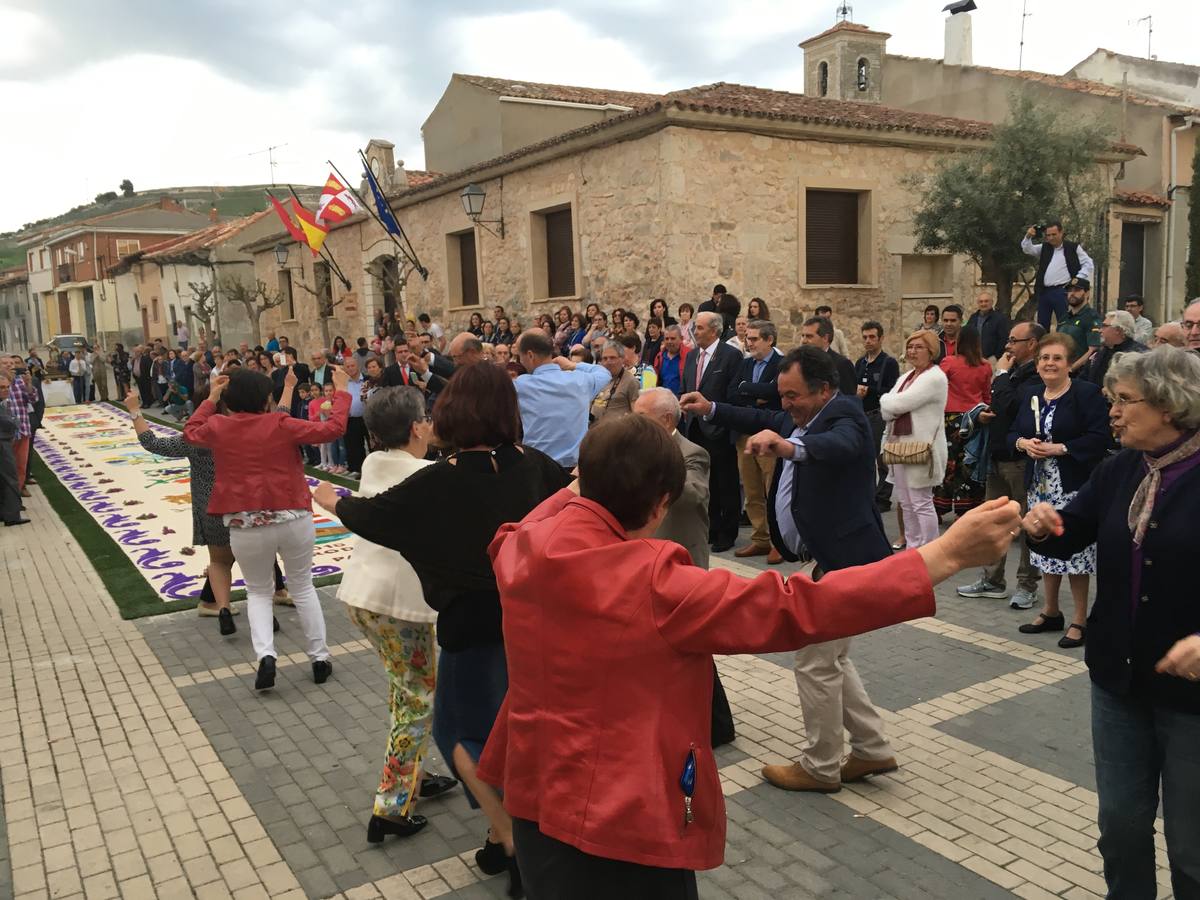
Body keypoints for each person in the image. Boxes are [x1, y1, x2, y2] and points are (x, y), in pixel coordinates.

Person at [477, 413, 1022, 898]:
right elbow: (797, 607)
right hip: (620, 819)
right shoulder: (655, 583)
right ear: (662, 504)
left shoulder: (523, 541)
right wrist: (944, 555)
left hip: (533, 791)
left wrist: (605, 456)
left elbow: (560, 505)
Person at [313, 363, 570, 897]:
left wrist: (327, 497)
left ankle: (512, 841)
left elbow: (369, 517)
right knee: (512, 725)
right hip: (531, 622)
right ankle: (506, 836)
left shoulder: (438, 481)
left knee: (457, 732)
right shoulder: (534, 466)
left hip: (469, 626)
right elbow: (572, 500)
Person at [1021, 347, 1200, 899]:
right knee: (1120, 829)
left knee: (1193, 846)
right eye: (1111, 401)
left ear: (1171, 406)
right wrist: (1042, 524)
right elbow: (1073, 527)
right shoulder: (1120, 468)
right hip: (1118, 679)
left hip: (1192, 698)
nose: (1113, 414)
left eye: (1125, 401)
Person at [683, 344, 905, 788]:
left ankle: (820, 767)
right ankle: (872, 748)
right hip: (826, 561)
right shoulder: (805, 416)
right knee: (832, 659)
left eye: (792, 396)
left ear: (823, 390)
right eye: (782, 396)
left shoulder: (845, 417)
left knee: (815, 662)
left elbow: (838, 446)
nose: (784, 405)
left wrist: (788, 447)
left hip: (844, 563)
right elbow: (755, 418)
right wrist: (711, 407)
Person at [332, 386, 459, 842]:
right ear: (416, 428)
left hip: (365, 599)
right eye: (426, 417)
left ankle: (415, 777)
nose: (430, 424)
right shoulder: (427, 475)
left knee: (405, 690)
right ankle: (390, 806)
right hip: (395, 606)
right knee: (417, 700)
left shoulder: (373, 462)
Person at [185, 365, 348, 690]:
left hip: (246, 523)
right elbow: (333, 428)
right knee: (302, 586)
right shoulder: (281, 423)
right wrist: (341, 391)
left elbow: (190, 432)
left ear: (230, 401)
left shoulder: (219, 426)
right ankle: (318, 657)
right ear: (265, 399)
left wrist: (211, 398)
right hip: (292, 516)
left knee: (258, 592)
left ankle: (266, 657)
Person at [634, 388, 736, 747]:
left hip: (683, 559)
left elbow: (693, 494)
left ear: (665, 420)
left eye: (641, 418)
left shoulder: (692, 454)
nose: (634, 426)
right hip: (646, 555)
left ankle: (718, 725)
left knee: (692, 641)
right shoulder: (637, 450)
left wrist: (655, 466)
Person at [1009, 333, 1110, 649]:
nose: (1049, 364)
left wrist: (1060, 448)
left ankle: (1080, 619)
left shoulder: (1086, 394)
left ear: (1069, 364)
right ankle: (1050, 611)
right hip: (1040, 486)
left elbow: (1099, 438)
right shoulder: (1031, 394)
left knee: (1076, 556)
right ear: (1037, 364)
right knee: (1043, 549)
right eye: (1044, 358)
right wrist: (1023, 443)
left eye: (1056, 358)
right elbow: (1013, 431)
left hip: (1073, 488)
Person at [125, 386, 241, 633]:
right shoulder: (241, 430)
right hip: (241, 502)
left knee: (220, 560)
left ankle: (220, 606)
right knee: (245, 557)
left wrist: (135, 411)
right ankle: (229, 602)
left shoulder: (196, 437)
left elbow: (153, 443)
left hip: (210, 505)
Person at [957, 321, 1047, 609]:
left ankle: (1027, 585)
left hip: (1021, 462)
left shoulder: (1036, 374)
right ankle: (992, 580)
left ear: (1031, 344)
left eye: (1013, 340)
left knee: (1026, 524)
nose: (1007, 346)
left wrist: (1002, 375)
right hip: (997, 456)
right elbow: (1001, 405)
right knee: (993, 522)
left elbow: (1013, 405)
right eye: (1007, 340)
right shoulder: (1015, 373)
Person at [679, 311, 743, 552]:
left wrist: (721, 420)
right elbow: (688, 385)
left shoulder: (731, 355)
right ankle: (713, 527)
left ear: (715, 330)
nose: (696, 332)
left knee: (725, 482)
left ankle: (728, 531)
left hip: (719, 428)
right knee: (706, 482)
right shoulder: (693, 355)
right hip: (695, 427)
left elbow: (732, 393)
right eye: (695, 327)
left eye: (701, 328)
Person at [880, 331, 949, 549]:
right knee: (906, 502)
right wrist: (890, 403)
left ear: (931, 351)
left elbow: (897, 404)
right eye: (910, 347)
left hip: (922, 448)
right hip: (901, 447)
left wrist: (888, 401)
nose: (912, 351)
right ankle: (912, 546)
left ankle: (929, 548)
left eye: (918, 347)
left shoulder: (934, 377)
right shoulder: (906, 377)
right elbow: (888, 409)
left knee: (921, 502)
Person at [513, 330, 611, 470]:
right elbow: (604, 373)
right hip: (575, 468)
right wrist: (573, 365)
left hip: (538, 467)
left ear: (530, 355)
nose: (520, 361)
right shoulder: (580, 380)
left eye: (520, 356)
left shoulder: (521, 385)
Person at [727, 319, 782, 562]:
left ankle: (780, 541)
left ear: (769, 340)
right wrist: (755, 394)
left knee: (773, 490)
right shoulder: (745, 363)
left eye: (754, 339)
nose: (748, 343)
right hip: (745, 436)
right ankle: (760, 539)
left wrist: (747, 390)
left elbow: (776, 393)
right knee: (751, 491)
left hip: (769, 436)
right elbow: (732, 393)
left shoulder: (782, 365)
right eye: (747, 338)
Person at [934, 326, 993, 518]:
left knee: (948, 462)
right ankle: (966, 506)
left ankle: (940, 506)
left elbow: (937, 387)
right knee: (969, 463)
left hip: (951, 419)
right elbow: (986, 396)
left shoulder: (949, 362)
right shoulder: (985, 366)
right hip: (975, 418)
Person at [855, 320, 900, 511]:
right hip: (861, 414)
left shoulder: (888, 363)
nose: (868, 341)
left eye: (872, 337)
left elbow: (893, 390)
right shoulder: (860, 363)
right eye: (865, 337)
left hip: (879, 415)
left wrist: (870, 390)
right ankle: (867, 495)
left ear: (881, 338)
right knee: (863, 458)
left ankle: (883, 498)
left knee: (882, 460)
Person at [1022, 221, 1095, 330]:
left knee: (1063, 323)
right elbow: (1027, 249)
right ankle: (1044, 345)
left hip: (1062, 291)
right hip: (1044, 291)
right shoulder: (1045, 248)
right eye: (1048, 235)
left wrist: (1078, 278)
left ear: (1061, 233)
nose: (1051, 238)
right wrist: (1028, 236)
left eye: (1054, 234)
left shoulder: (1073, 248)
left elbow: (1088, 263)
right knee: (1042, 325)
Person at [1084, 309, 1149, 388]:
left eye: (1104, 326)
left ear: (1118, 330)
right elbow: (1084, 377)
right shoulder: (1099, 352)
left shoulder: (1138, 355)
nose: (1100, 330)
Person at [798, 316, 856, 395]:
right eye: (802, 336)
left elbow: (849, 400)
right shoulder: (798, 362)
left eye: (809, 336)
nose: (803, 341)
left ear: (825, 338)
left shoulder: (842, 365)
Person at [0, 373, 28, 527]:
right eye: (1, 388)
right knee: (11, 479)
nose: (5, 390)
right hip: (2, 444)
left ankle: (4, 512)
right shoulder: (3, 406)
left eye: (7, 387)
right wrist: (15, 420)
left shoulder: (4, 403)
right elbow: (11, 422)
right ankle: (12, 515)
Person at [589, 341, 640, 425]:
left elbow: (637, 415)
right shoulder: (597, 378)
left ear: (622, 359)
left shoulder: (631, 382)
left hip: (617, 433)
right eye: (605, 358)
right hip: (595, 430)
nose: (608, 362)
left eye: (612, 358)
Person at [965, 290, 1011, 361]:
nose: (983, 304)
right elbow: (967, 337)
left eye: (986, 301)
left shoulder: (999, 319)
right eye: (981, 301)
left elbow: (1003, 339)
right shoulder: (973, 318)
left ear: (992, 302)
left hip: (992, 359)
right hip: (974, 358)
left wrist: (995, 356)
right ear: (978, 303)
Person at [654, 325, 689, 396]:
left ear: (681, 339)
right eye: (666, 339)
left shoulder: (689, 355)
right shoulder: (659, 357)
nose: (669, 341)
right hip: (664, 400)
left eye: (673, 338)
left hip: (682, 402)